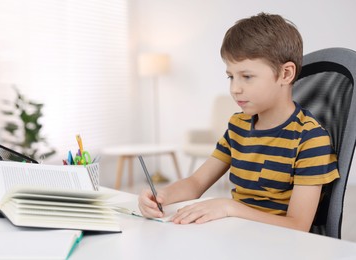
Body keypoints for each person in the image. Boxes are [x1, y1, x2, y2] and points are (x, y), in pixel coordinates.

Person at [138, 12, 340, 232]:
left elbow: (298, 225)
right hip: (237, 236)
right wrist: (161, 196)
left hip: (280, 245)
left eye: (247, 76)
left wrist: (229, 207)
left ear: (285, 74)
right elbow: (196, 183)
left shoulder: (310, 139)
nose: (235, 88)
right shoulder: (238, 126)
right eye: (231, 76)